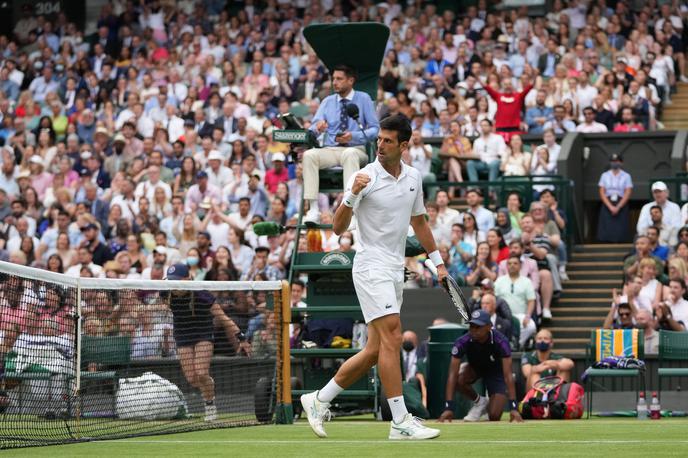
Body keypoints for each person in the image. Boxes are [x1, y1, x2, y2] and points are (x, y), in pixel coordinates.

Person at [300, 115, 441, 440]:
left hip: (393, 269)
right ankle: (400, 421)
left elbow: (420, 223)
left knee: (377, 350)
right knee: (394, 336)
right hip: (369, 266)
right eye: (379, 139)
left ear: (404, 146)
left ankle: (318, 399)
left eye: (388, 140)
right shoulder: (364, 176)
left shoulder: (414, 178)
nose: (380, 144)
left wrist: (438, 262)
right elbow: (337, 227)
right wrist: (351, 195)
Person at [165, 263, 248, 422]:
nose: (173, 284)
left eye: (177, 281)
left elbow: (223, 318)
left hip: (203, 333)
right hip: (183, 335)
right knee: (192, 379)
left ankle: (209, 405)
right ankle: (208, 384)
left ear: (187, 279)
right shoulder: (166, 293)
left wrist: (241, 337)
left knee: (202, 372)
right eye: (171, 280)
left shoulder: (203, 296)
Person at [302, 64, 380, 224]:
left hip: (355, 149)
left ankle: (349, 209)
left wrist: (353, 136)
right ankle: (313, 209)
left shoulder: (363, 98)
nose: (334, 82)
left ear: (350, 80)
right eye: (333, 79)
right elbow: (312, 129)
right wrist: (317, 128)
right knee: (309, 155)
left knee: (349, 154)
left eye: (339, 79)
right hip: (331, 149)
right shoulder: (327, 101)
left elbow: (375, 129)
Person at [438, 309, 523, 423]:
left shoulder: (501, 341)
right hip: (475, 368)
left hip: (496, 372)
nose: (474, 330)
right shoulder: (462, 341)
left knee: (494, 415)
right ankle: (480, 402)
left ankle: (491, 403)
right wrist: (448, 408)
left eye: (478, 327)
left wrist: (513, 407)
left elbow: (508, 375)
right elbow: (452, 375)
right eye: (472, 326)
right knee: (459, 378)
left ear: (489, 327)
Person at [494, 255, 537, 347]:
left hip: (521, 315)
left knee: (531, 326)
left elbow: (531, 300)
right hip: (503, 316)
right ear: (506, 266)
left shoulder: (527, 281)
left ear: (520, 266)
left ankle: (518, 344)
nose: (512, 265)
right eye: (509, 264)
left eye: (515, 263)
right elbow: (494, 298)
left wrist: (528, 316)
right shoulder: (499, 280)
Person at [597, 153, 633, 243]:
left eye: (616, 161)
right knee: (606, 224)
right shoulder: (604, 175)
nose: (614, 163)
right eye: (612, 161)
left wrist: (619, 206)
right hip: (608, 201)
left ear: (621, 163)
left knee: (621, 224)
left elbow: (628, 191)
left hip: (621, 201)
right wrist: (610, 206)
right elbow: (602, 191)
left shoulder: (626, 176)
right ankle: (606, 242)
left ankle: (621, 241)